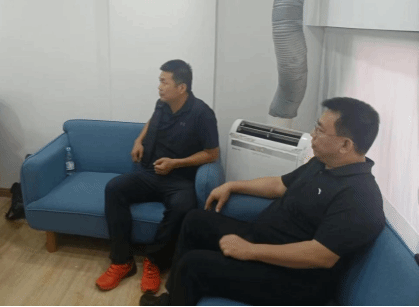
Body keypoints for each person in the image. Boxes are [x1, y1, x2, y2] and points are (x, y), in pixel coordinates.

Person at [141, 97, 385, 306]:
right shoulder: (321, 164)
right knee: (195, 221)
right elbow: (279, 185)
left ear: (345, 145)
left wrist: (250, 251)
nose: (313, 135)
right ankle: (173, 299)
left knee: (193, 266)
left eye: (320, 130)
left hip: (294, 280)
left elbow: (320, 255)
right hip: (264, 238)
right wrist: (232, 185)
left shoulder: (359, 196)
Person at [96, 60, 220, 295]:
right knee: (114, 188)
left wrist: (176, 163)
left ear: (181, 88)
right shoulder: (162, 103)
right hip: (150, 173)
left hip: (180, 179)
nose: (159, 87)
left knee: (182, 206)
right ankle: (122, 261)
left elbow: (212, 154)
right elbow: (152, 121)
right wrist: (138, 140)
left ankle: (154, 262)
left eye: (164, 82)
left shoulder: (202, 114)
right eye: (159, 81)